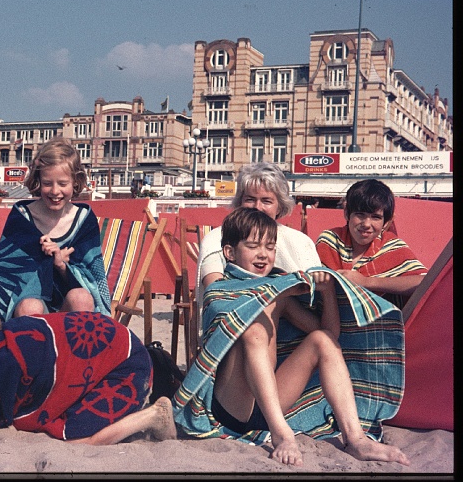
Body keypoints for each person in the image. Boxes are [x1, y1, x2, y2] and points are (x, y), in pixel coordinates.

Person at [173, 208, 409, 466]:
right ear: (230, 253)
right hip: (232, 407)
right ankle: (282, 434)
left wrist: (328, 290)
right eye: (253, 246)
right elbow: (222, 331)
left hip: (269, 405)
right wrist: (278, 291)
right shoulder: (221, 290)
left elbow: (330, 334)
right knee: (253, 329)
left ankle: (356, 439)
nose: (263, 254)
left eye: (270, 247)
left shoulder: (279, 291)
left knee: (321, 340)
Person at [0, 292, 177, 444]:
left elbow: (8, 416)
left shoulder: (8, 359)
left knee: (77, 437)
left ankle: (154, 416)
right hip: (116, 349)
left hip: (124, 365)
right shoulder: (0, 346)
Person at [0, 137, 110, 321]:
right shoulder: (22, 217)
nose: (55, 191)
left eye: (63, 184)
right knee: (29, 305)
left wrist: (61, 266)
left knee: (80, 297)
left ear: (75, 182)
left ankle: (77, 349)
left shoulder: (83, 221)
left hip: (68, 312)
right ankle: (34, 348)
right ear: (38, 181)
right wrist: (44, 260)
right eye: (47, 183)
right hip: (29, 307)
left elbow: (93, 280)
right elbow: (6, 273)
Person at [198, 162, 321, 298]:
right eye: (250, 199)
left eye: (266, 201)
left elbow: (316, 291)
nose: (257, 207)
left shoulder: (300, 241)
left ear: (279, 206)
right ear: (240, 202)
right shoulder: (217, 237)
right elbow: (216, 292)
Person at [316, 179, 427, 308]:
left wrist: (367, 282)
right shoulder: (330, 240)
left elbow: (423, 282)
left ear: (386, 222)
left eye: (376, 217)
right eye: (360, 215)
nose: (366, 224)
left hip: (381, 325)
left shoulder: (391, 246)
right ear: (347, 213)